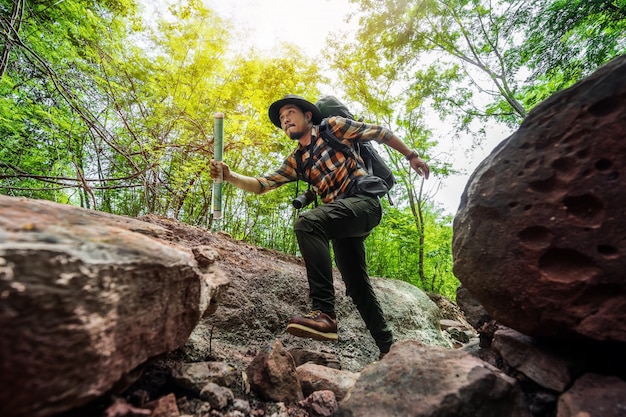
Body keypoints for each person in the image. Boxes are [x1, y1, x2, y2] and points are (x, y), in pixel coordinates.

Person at [209, 94, 430, 359]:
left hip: (363, 204)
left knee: (307, 222)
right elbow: (262, 185)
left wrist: (411, 156)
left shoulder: (334, 127)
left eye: (290, 112)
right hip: (339, 219)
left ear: (308, 116)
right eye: (281, 119)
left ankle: (324, 313)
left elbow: (381, 133)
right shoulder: (298, 159)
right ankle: (388, 349)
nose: (285, 120)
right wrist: (229, 176)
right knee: (357, 285)